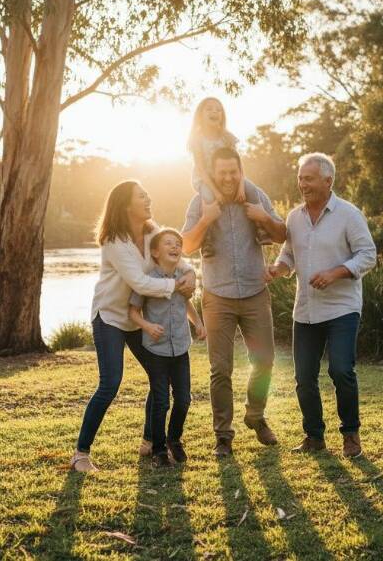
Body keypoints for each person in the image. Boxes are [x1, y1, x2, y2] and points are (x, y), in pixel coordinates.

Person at [72, 181, 196, 473]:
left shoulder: (153, 232)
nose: (148, 198)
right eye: (142, 196)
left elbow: (176, 253)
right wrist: (176, 285)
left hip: (140, 320)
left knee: (159, 378)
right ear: (126, 205)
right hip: (112, 318)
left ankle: (149, 441)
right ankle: (80, 454)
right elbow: (139, 283)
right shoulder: (114, 241)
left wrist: (190, 273)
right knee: (110, 383)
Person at [265, 153, 377, 458]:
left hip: (342, 307)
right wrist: (278, 269)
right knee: (304, 377)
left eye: (309, 178)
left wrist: (335, 272)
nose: (303, 184)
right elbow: (288, 254)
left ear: (328, 181)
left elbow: (368, 255)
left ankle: (350, 434)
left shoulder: (349, 215)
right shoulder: (294, 218)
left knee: (341, 370)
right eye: (301, 178)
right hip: (306, 310)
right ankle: (314, 436)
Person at [181, 147, 287, 457]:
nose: (228, 177)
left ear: (240, 171)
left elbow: (281, 235)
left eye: (233, 171)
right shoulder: (199, 202)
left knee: (265, 361)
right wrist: (206, 219)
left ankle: (255, 415)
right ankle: (223, 437)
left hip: (255, 293)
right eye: (222, 172)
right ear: (212, 173)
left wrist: (262, 216)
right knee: (221, 369)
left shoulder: (255, 195)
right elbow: (186, 245)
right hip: (218, 297)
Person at [129, 228, 206, 468]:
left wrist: (199, 324)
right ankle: (159, 450)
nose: (175, 247)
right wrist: (147, 326)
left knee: (183, 399)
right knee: (161, 401)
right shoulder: (148, 280)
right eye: (168, 243)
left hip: (181, 348)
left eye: (178, 244)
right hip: (156, 350)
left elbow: (186, 303)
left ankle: (174, 439)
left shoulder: (184, 275)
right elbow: (133, 311)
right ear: (154, 252)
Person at [187, 97, 272, 256]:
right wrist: (216, 192)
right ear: (200, 115)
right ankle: (208, 241)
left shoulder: (226, 137)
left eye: (218, 110)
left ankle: (260, 228)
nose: (215, 112)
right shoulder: (197, 139)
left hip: (229, 175)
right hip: (205, 179)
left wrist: (240, 185)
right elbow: (200, 169)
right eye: (210, 109)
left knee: (251, 189)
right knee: (207, 197)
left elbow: (238, 164)